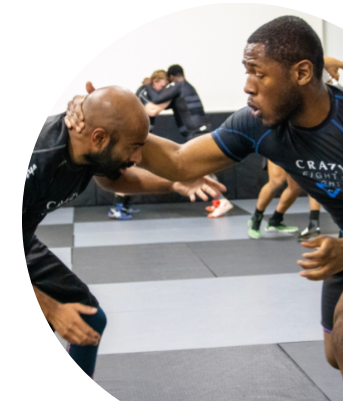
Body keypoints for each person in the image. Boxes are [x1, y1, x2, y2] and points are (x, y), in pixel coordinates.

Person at [66, 15, 343, 401]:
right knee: (338, 352)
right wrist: (108, 121)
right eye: (245, 71)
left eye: (258, 73)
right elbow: (182, 162)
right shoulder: (256, 123)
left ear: (302, 73)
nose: (247, 85)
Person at [24, 86, 226, 381]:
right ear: (98, 137)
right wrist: (50, 307)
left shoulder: (90, 148)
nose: (139, 155)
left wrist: (173, 184)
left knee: (90, 318)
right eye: (133, 147)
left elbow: (114, 180)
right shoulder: (39, 160)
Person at [249, 57, 343, 239]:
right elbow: (324, 59)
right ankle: (255, 219)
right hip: (279, 134)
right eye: (334, 71)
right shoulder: (312, 70)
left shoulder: (330, 89)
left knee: (300, 186)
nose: (336, 75)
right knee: (277, 181)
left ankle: (281, 221)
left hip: (304, 139)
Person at [142, 64, 234, 218]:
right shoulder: (186, 87)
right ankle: (219, 201)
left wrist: (147, 86)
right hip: (200, 131)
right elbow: (163, 105)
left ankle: (222, 201)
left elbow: (157, 99)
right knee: (204, 170)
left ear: (171, 78)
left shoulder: (180, 86)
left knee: (202, 170)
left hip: (197, 133)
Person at [108, 70, 172, 220]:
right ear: (155, 82)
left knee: (134, 172)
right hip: (131, 140)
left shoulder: (153, 93)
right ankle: (116, 209)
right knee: (127, 172)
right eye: (162, 86)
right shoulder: (144, 91)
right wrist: (170, 99)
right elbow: (151, 110)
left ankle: (125, 206)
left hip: (141, 139)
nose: (163, 90)